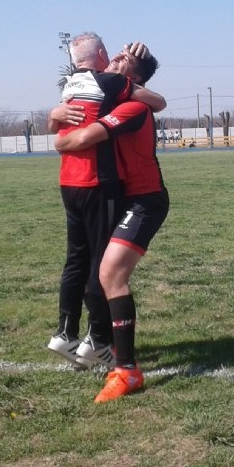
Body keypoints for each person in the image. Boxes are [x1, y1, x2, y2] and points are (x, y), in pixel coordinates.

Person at [46, 33, 166, 368]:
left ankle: (103, 345)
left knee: (106, 270)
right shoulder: (107, 92)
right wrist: (56, 112)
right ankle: (97, 343)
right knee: (95, 266)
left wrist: (59, 140)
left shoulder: (132, 105)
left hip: (145, 199)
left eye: (122, 59)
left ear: (133, 79)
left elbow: (82, 137)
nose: (114, 58)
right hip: (121, 194)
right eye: (112, 55)